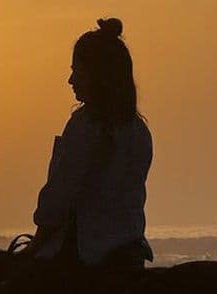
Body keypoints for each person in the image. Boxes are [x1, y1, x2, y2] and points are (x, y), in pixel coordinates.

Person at [25, 18, 154, 271]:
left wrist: (37, 242)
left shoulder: (85, 126)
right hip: (129, 252)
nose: (71, 80)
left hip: (85, 255)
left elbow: (60, 195)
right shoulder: (139, 131)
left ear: (97, 75)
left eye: (77, 71)